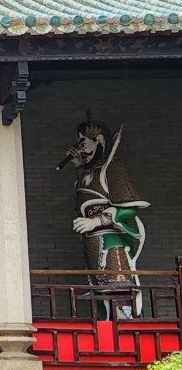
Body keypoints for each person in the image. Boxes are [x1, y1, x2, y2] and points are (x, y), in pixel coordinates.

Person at [61, 113, 149, 319]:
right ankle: (104, 325)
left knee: (117, 288)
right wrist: (79, 166)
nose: (81, 148)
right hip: (91, 242)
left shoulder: (112, 167)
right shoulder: (88, 172)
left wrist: (96, 221)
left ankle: (126, 328)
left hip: (111, 241)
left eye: (83, 143)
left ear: (99, 141)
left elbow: (129, 208)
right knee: (97, 291)